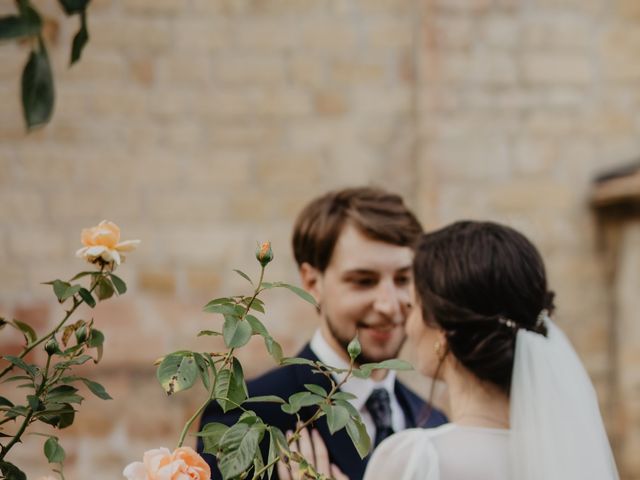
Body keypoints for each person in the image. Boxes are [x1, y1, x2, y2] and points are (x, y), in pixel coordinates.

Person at [290, 220, 619, 480]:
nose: (405, 319)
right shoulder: (567, 457)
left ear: (443, 334)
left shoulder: (419, 456)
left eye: (414, 303)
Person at [197, 187, 447, 480]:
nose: (389, 306)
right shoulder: (246, 413)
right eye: (364, 281)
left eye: (404, 279)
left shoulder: (435, 425)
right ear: (313, 282)